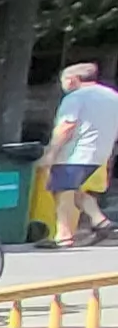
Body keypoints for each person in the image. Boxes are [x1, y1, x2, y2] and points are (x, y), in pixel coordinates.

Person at [47, 60, 118, 246]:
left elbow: (66, 126)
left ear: (72, 80)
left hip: (75, 152)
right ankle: (100, 221)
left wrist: (51, 152)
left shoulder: (75, 97)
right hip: (102, 152)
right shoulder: (112, 95)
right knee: (76, 189)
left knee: (61, 190)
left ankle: (63, 237)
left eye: (63, 81)